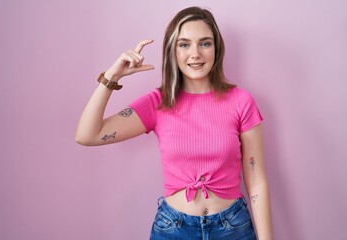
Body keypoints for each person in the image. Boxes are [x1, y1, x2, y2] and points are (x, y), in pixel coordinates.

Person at [75, 6, 273, 240]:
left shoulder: (241, 101)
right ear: (172, 51)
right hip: (174, 229)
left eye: (205, 43)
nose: (195, 53)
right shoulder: (158, 103)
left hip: (232, 228)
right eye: (184, 44)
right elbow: (87, 135)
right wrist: (111, 77)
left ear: (217, 49)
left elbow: (256, 181)